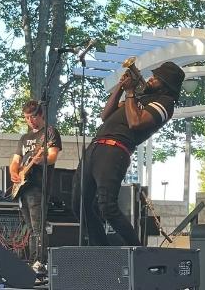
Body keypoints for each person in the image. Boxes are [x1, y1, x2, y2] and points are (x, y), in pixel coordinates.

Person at [73, 61, 185, 245]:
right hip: (95, 146)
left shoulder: (165, 103)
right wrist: (121, 87)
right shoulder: (139, 97)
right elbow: (105, 115)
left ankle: (138, 250)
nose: (150, 79)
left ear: (165, 85)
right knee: (79, 203)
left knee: (107, 206)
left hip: (115, 149)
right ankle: (101, 250)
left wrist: (131, 92)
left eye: (156, 78)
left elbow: (136, 123)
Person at [9, 100, 62, 273]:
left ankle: (40, 263)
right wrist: (13, 172)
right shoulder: (24, 138)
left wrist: (42, 159)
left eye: (32, 117)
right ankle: (33, 262)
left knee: (38, 227)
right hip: (23, 188)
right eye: (26, 118)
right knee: (31, 229)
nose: (30, 121)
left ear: (41, 115)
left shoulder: (50, 132)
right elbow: (16, 160)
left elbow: (53, 155)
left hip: (39, 187)